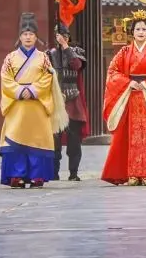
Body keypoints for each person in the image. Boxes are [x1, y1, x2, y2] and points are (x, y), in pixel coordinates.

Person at [100, 12, 146, 186]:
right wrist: (128, 82)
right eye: (138, 29)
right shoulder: (124, 52)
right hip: (130, 96)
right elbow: (112, 72)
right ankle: (131, 173)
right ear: (132, 32)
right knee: (128, 135)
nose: (141, 32)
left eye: (144, 29)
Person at [0, 12, 67, 188]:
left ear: (36, 37)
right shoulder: (10, 58)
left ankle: (37, 175)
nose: (28, 37)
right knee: (15, 138)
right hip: (17, 105)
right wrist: (20, 90)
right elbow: (5, 78)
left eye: (31, 34)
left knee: (38, 139)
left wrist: (33, 90)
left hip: (37, 103)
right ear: (20, 37)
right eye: (25, 34)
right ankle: (17, 175)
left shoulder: (43, 58)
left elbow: (48, 77)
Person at [49, 22, 88, 181]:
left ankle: (73, 173)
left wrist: (65, 46)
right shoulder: (49, 54)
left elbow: (76, 65)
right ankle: (53, 172)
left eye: (65, 36)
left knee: (74, 141)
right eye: (60, 36)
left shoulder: (77, 52)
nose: (62, 38)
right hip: (56, 99)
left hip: (73, 100)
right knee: (54, 140)